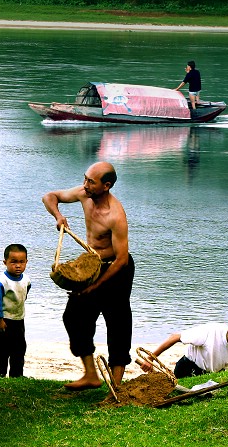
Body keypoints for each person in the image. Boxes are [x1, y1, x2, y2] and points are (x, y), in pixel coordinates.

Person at [42, 161, 135, 391]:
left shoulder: (116, 215)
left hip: (117, 269)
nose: (85, 185)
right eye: (85, 179)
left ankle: (116, 386)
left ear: (107, 185)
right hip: (92, 264)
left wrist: (95, 286)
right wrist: (58, 216)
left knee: (118, 323)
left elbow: (121, 259)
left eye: (90, 182)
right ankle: (91, 375)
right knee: (73, 316)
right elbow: (49, 196)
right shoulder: (85, 194)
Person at [140, 312, 228, 378]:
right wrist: (150, 359)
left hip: (208, 375)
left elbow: (227, 371)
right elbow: (175, 337)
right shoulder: (210, 331)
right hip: (187, 368)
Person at [0, 243, 31, 378]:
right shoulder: (2, 282)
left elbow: (25, 293)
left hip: (19, 320)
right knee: (2, 349)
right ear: (5, 262)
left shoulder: (26, 279)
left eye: (21, 262)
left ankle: (17, 374)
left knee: (19, 349)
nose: (18, 265)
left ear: (26, 262)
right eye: (13, 262)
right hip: (4, 320)